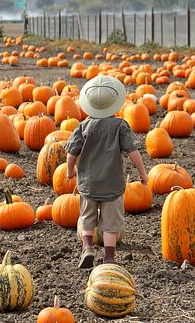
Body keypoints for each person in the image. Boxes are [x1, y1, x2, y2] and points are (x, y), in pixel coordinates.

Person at [64, 75, 148, 268]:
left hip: (88, 183)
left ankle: (87, 249)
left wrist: (70, 172)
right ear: (114, 103)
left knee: (87, 218)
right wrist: (142, 173)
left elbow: (71, 154)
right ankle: (109, 257)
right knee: (110, 223)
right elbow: (133, 153)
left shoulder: (83, 127)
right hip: (112, 184)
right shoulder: (120, 126)